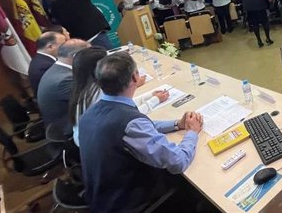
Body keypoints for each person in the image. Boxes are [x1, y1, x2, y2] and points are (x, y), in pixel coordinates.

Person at [79, 53, 204, 212]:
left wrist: (177, 124)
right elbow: (178, 161)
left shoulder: (91, 112)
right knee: (195, 188)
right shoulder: (129, 122)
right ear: (134, 78)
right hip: (129, 203)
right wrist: (192, 133)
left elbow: (140, 127)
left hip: (101, 196)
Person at [37, 39, 90, 128]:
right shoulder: (65, 79)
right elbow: (90, 101)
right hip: (67, 127)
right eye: (89, 55)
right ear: (76, 56)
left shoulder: (58, 69)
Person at [29, 31, 67, 96]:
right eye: (63, 44)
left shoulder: (43, 60)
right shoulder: (43, 66)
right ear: (50, 47)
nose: (66, 47)